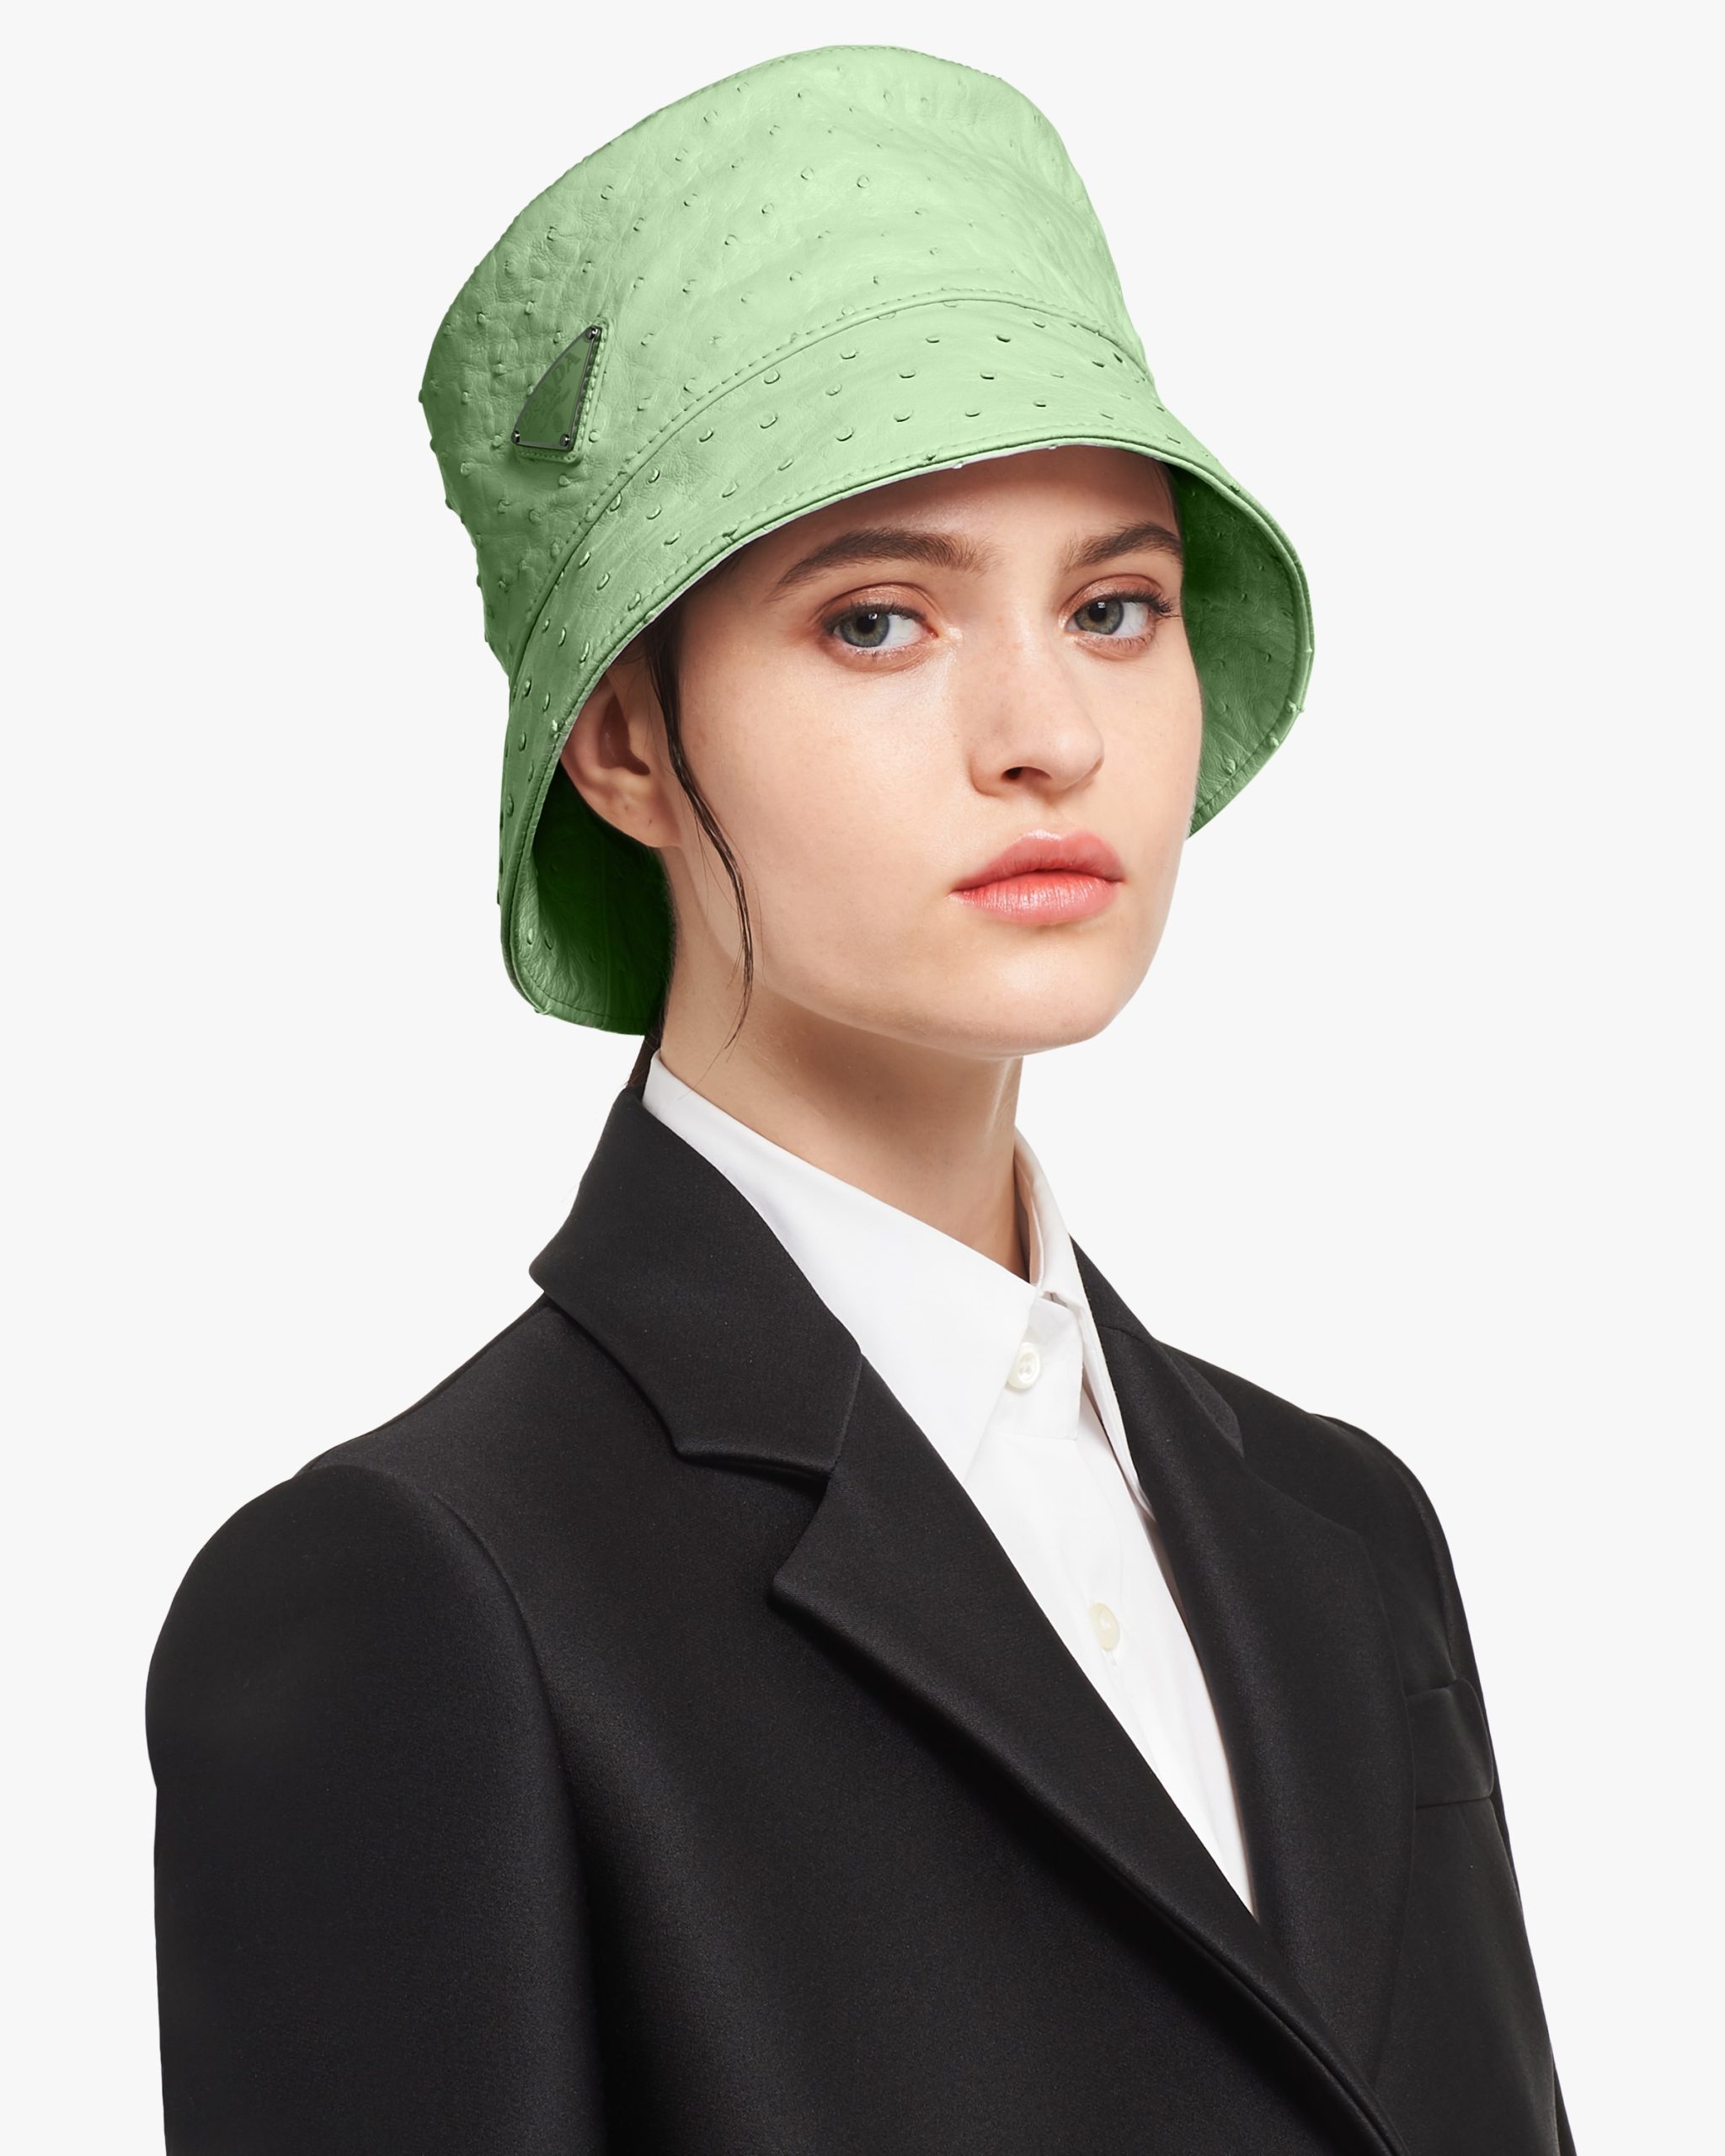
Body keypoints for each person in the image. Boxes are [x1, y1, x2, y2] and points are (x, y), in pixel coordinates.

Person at [147, 42, 1577, 2156]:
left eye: (1114, 605)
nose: (1045, 733)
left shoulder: (1347, 1532)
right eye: (880, 619)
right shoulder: (424, 1593)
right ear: (624, 740)